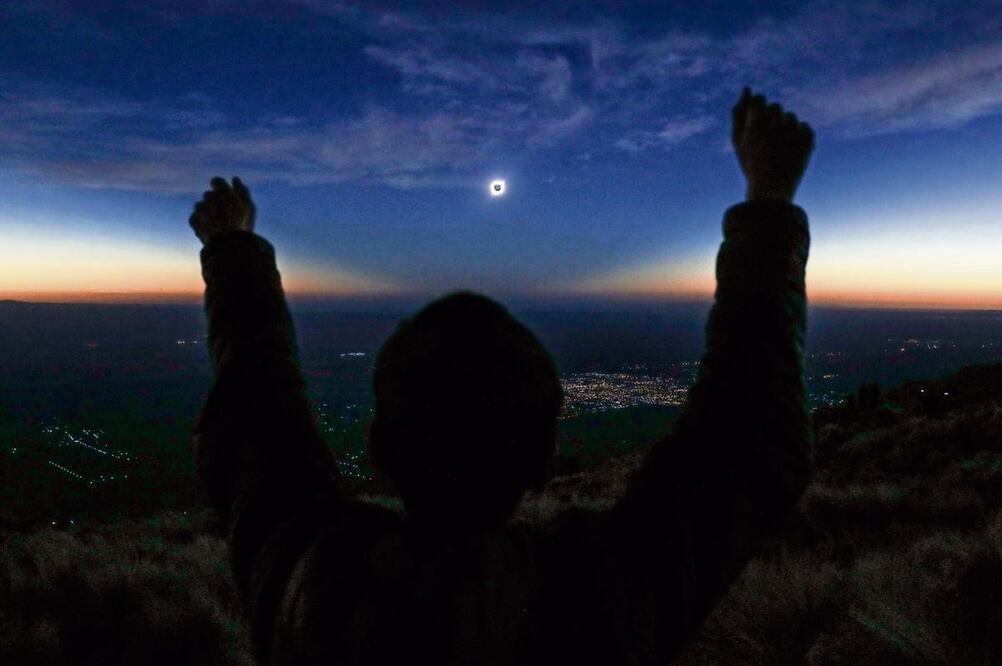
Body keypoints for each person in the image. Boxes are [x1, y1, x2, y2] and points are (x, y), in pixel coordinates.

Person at [189, 87, 814, 665]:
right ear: (544, 459)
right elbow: (747, 431)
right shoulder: (596, 603)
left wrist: (232, 245)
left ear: (379, 450)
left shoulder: (315, 589)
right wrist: (769, 194)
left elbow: (257, 415)